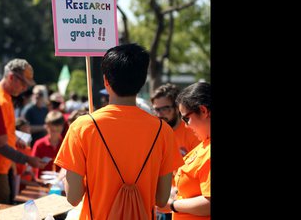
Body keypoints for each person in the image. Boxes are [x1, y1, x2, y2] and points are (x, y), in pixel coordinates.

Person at [54, 43, 180, 219]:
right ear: (142, 81)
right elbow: (161, 199)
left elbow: (73, 198)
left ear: (106, 81)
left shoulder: (82, 127)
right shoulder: (163, 131)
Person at [0, 59, 46, 204]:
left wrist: (16, 139)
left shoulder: (5, 98)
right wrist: (28, 159)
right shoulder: (0, 101)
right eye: (23, 83)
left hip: (5, 165)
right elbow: (0, 144)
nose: (25, 88)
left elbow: (2, 131)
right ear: (11, 77)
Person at [159, 81, 211, 219]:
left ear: (204, 111)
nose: (186, 126)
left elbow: (209, 203)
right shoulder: (204, 144)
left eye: (186, 118)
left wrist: (172, 205)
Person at [32, 110, 65, 180]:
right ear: (47, 127)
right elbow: (32, 166)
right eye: (52, 130)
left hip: (60, 183)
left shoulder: (65, 144)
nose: (55, 134)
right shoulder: (39, 144)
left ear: (62, 128)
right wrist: (37, 164)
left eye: (58, 130)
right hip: (41, 182)